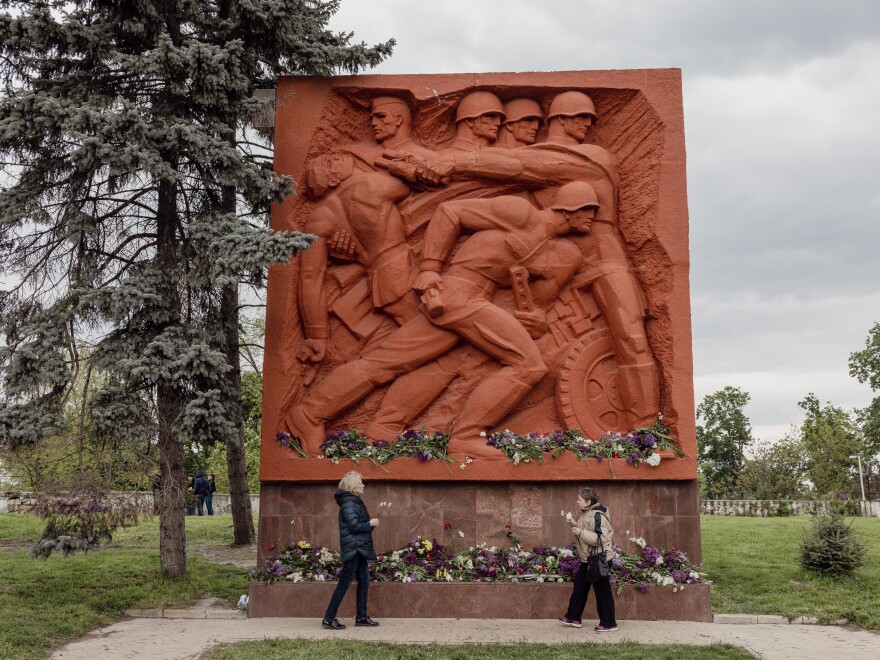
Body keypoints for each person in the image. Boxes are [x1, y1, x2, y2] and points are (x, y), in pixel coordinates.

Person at [288, 182, 599, 457]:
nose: (592, 218)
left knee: (386, 363)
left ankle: (321, 416)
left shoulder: (559, 252)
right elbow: (451, 213)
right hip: (457, 294)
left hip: (475, 300)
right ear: (568, 209)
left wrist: (536, 318)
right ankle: (464, 437)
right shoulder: (521, 213)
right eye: (588, 209)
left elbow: (535, 304)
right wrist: (430, 268)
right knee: (528, 364)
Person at [322, 471, 380, 630]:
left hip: (359, 548)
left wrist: (369, 525)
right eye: (360, 483)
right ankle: (328, 618)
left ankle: (361, 617)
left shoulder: (353, 501)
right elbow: (354, 526)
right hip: (354, 548)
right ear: (353, 487)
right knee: (345, 583)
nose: (363, 485)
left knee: (364, 579)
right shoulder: (349, 503)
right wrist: (370, 524)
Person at [560, 486, 618, 632]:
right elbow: (588, 529)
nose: (577, 501)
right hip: (589, 559)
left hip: (599, 559)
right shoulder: (587, 513)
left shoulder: (596, 515)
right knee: (580, 586)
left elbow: (600, 538)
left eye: (579, 499)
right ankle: (573, 617)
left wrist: (580, 532)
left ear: (588, 501)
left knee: (602, 591)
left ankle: (609, 623)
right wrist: (573, 523)